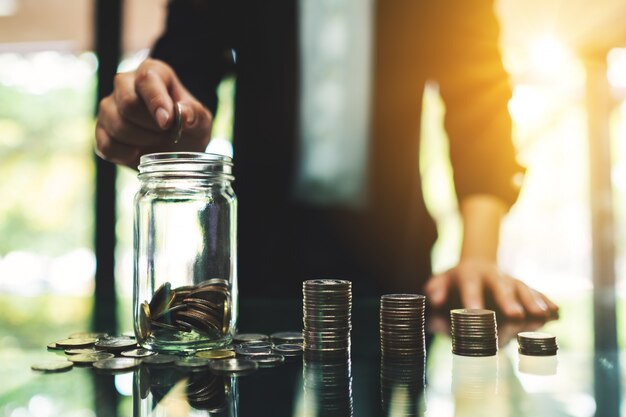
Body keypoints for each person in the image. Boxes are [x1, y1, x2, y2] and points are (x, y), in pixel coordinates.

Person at [95, 0, 558, 319]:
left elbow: (478, 98)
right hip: (254, 259)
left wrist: (478, 255)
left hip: (394, 259)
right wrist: (154, 109)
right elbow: (183, 67)